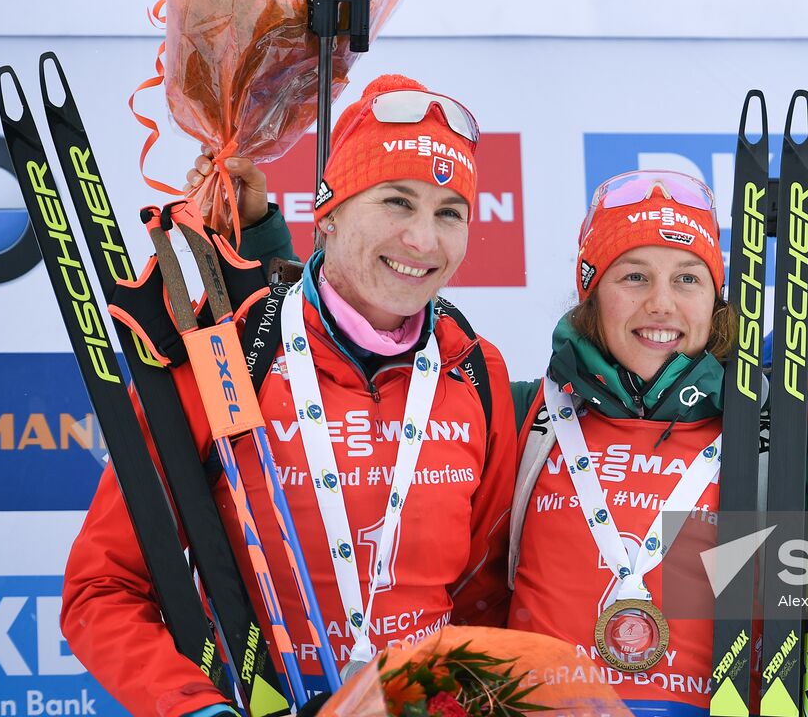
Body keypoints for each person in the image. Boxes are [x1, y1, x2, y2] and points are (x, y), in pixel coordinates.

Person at [60, 74, 517, 716]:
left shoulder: (475, 371)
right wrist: (193, 707)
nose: (423, 240)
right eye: (396, 202)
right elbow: (103, 588)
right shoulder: (228, 354)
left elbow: (485, 595)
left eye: (450, 213)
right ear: (326, 215)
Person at [504, 170, 808, 717]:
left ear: (716, 300)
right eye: (634, 277)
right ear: (591, 292)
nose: (662, 304)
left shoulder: (773, 435)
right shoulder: (524, 416)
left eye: (688, 279)